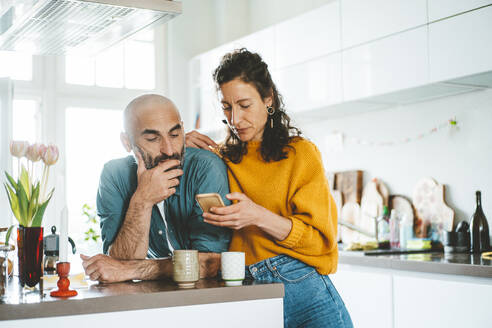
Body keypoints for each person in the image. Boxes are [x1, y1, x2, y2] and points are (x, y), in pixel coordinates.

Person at [186, 49, 353, 328]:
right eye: (226, 106)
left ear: (268, 99)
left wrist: (256, 216)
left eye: (244, 104)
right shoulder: (221, 157)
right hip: (248, 291)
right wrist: (184, 146)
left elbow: (321, 241)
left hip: (304, 289)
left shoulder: (300, 154)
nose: (235, 118)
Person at [81, 94, 231, 283]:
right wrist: (142, 200)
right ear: (127, 142)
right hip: (147, 298)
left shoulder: (205, 168)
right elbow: (118, 263)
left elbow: (210, 263)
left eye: (175, 135)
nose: (169, 150)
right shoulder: (114, 175)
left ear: (183, 131)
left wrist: (138, 270)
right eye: (153, 139)